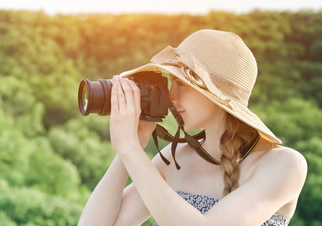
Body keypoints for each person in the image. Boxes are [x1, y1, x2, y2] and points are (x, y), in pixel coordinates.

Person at [78, 29, 307, 226]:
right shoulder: (175, 158)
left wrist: (131, 150)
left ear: (216, 96)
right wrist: (130, 147)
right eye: (171, 83)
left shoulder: (284, 165)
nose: (170, 96)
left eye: (182, 84)